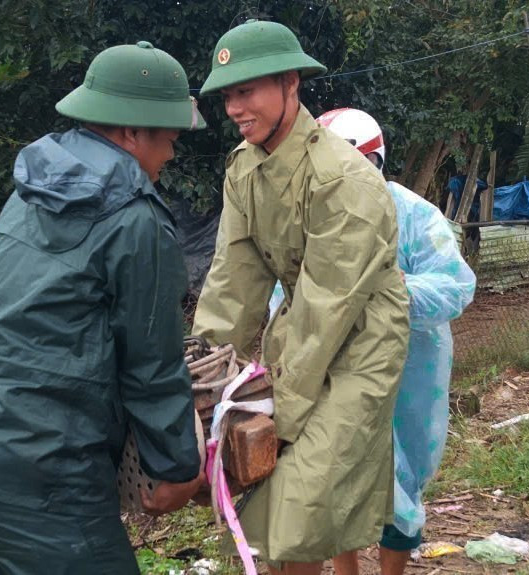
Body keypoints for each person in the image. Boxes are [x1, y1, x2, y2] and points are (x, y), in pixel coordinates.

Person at [0, 41, 207, 575]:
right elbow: (152, 362)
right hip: (41, 472)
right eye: (168, 139)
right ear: (131, 131)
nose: (170, 156)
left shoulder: (36, 187)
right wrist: (176, 467)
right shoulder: (135, 218)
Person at [192, 20, 410, 575]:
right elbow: (232, 282)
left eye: (248, 91)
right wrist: (206, 386)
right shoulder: (244, 168)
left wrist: (275, 415)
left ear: (290, 83)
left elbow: (328, 312)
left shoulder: (344, 180)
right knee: (270, 502)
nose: (236, 108)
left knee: (300, 495)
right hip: (299, 327)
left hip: (361, 341)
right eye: (228, 95)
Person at [276, 108, 476, 575]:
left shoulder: (414, 217)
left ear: (370, 165)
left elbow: (455, 285)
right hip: (331, 375)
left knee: (399, 485)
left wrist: (387, 293)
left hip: (407, 376)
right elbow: (278, 295)